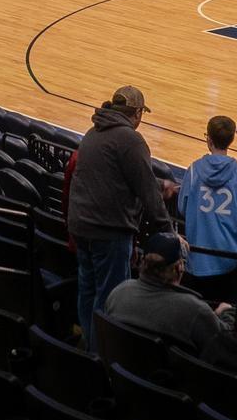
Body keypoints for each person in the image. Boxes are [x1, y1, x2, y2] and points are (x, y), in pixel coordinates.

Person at [68, 86, 173, 346]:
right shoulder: (130, 140)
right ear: (137, 113)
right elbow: (148, 194)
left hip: (80, 225)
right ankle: (102, 356)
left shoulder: (93, 131)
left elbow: (111, 173)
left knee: (87, 290)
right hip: (108, 230)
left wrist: (158, 184)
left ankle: (89, 346)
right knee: (111, 298)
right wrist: (169, 234)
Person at [181, 116, 237, 307]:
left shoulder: (193, 171)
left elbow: (182, 208)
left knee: (196, 316)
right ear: (231, 140)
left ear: (209, 139)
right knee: (225, 316)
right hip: (229, 258)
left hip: (197, 258)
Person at [100, 231, 221, 351]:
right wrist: (226, 314)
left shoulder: (119, 293)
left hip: (124, 368)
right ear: (179, 268)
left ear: (143, 262)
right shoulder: (196, 311)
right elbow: (223, 343)